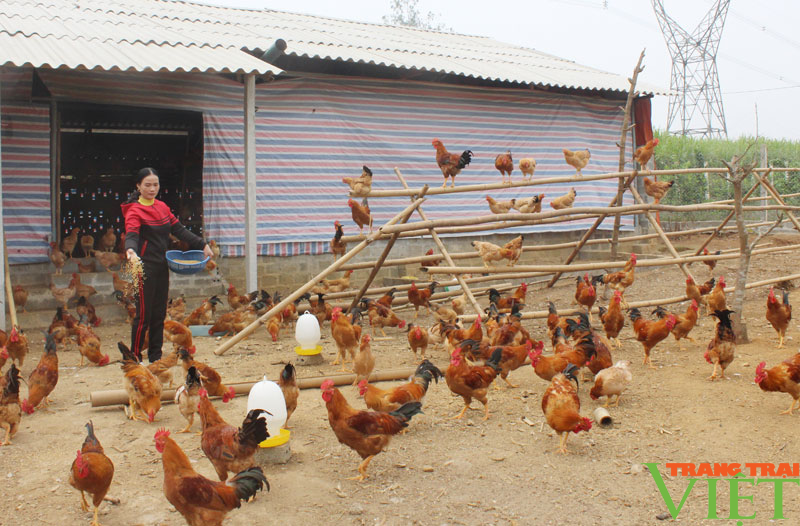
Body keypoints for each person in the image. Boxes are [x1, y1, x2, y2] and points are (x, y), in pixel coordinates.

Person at [121, 167, 214, 363]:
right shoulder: (135, 210)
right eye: (147, 185)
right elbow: (131, 234)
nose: (152, 188)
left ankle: (156, 357)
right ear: (138, 186)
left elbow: (179, 230)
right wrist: (130, 250)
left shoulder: (162, 207)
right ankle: (134, 357)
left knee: (159, 314)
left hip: (162, 265)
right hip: (143, 267)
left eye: (155, 184)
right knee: (143, 315)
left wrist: (202, 244)